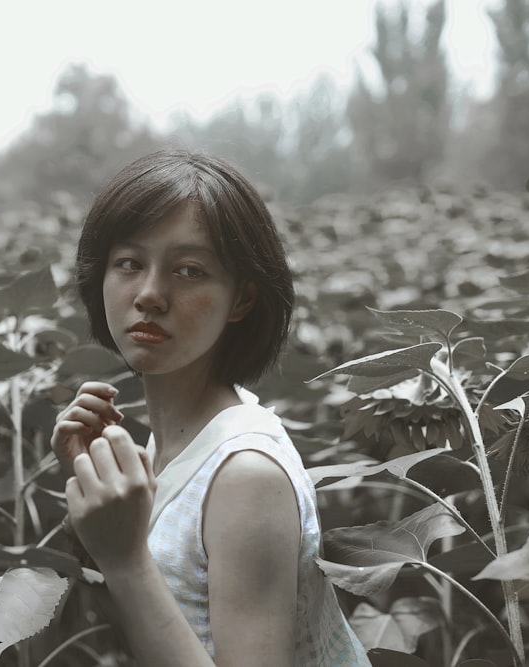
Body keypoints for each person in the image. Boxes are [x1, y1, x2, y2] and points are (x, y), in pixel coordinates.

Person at [51, 149, 369, 666]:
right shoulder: (172, 441)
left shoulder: (247, 476)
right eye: (129, 263)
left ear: (241, 300)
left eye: (190, 271)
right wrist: (95, 489)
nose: (150, 294)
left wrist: (126, 559)